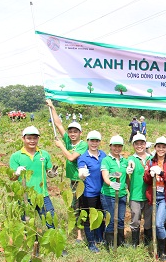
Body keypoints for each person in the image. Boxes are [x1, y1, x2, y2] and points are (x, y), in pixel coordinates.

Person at [48, 99, 88, 243]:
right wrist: (52, 107)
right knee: (75, 206)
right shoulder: (68, 141)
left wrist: (61, 146)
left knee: (83, 205)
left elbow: (71, 158)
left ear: (80, 133)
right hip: (73, 180)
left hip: (82, 181)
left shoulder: (82, 145)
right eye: (70, 131)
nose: (72, 134)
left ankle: (83, 234)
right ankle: (78, 233)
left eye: (75, 131)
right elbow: (58, 124)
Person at [9, 126, 58, 228]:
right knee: (28, 225)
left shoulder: (44, 154)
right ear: (23, 139)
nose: (32, 141)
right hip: (25, 196)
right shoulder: (16, 156)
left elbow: (49, 171)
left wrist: (51, 173)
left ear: (38, 139)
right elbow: (11, 178)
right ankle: (33, 243)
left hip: (42, 194)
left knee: (51, 221)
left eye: (35, 138)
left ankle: (52, 242)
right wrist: (17, 173)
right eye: (29, 138)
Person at [143, 136, 166, 261]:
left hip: (165, 197)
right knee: (156, 223)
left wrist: (162, 173)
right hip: (153, 196)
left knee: (159, 223)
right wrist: (150, 173)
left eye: (164, 147)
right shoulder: (150, 162)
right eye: (159, 147)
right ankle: (157, 249)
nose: (161, 149)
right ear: (155, 148)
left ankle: (163, 252)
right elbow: (146, 179)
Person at [77, 130, 107, 252]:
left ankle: (100, 238)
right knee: (89, 217)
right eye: (92, 141)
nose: (94, 143)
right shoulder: (83, 157)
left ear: (99, 142)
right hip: (89, 193)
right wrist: (82, 174)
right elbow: (81, 169)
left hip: (102, 192)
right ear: (87, 141)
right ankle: (91, 242)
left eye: (96, 141)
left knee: (100, 215)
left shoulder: (103, 155)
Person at [100, 135, 128, 247]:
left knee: (121, 219)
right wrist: (111, 183)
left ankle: (120, 241)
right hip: (109, 194)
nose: (117, 148)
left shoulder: (124, 161)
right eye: (115, 146)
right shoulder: (106, 160)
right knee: (111, 219)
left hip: (121, 194)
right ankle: (110, 243)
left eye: (119, 146)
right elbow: (105, 176)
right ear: (110, 146)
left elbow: (126, 177)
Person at [126, 133, 151, 247]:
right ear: (133, 145)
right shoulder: (131, 158)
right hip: (135, 195)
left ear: (145, 145)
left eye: (142, 143)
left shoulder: (151, 159)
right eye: (137, 144)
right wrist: (130, 168)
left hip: (149, 195)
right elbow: (130, 164)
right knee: (135, 219)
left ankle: (147, 242)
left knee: (148, 220)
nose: (139, 146)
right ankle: (135, 243)